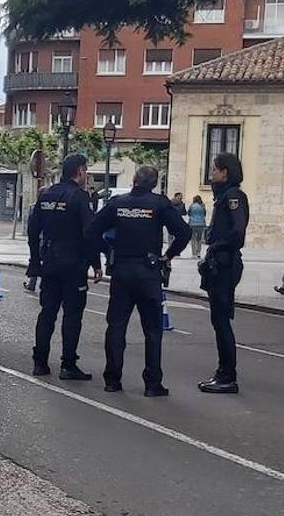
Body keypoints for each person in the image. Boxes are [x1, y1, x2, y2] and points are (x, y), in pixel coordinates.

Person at [86, 167, 191, 395]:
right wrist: (168, 255)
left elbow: (91, 230)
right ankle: (152, 383)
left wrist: (108, 251)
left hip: (122, 271)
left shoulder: (117, 203)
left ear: (134, 180)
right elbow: (184, 232)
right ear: (154, 184)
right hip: (148, 272)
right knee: (153, 330)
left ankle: (112, 379)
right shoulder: (159, 204)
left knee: (116, 326)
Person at [27, 154, 102, 380]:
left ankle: (40, 362)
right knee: (72, 315)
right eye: (86, 171)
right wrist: (95, 263)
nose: (86, 175)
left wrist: (35, 260)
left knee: (47, 312)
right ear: (79, 172)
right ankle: (68, 364)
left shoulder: (46, 194)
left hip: (49, 261)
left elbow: (33, 230)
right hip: (73, 264)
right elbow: (90, 233)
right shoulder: (80, 198)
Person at [198, 152, 249, 394]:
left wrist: (218, 246)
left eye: (214, 169)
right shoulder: (222, 196)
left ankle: (227, 375)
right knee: (218, 320)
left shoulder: (233, 196)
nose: (211, 173)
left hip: (225, 263)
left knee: (221, 321)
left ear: (225, 172)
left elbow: (238, 231)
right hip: (219, 261)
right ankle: (223, 372)